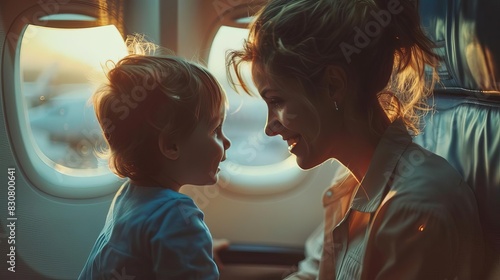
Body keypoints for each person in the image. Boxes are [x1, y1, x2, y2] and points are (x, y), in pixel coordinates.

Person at [227, 0, 484, 279]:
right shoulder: (347, 183)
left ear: (333, 86)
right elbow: (314, 273)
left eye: (276, 101)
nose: (269, 128)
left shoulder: (415, 208)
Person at [78, 38, 231, 280]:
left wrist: (191, 249)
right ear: (171, 145)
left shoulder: (128, 198)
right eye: (215, 130)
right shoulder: (177, 215)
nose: (227, 142)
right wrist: (189, 239)